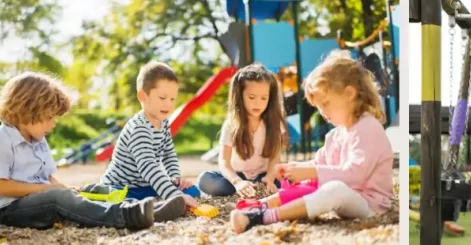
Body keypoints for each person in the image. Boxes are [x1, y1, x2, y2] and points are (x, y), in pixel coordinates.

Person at [227, 52, 393, 235]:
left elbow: (356, 174)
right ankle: (259, 206)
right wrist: (294, 168)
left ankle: (264, 217)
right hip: (344, 196)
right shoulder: (335, 134)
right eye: (319, 107)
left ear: (349, 94)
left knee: (332, 187)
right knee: (309, 184)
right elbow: (320, 164)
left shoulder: (368, 127)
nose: (322, 112)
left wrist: (312, 172)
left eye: (326, 103)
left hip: (369, 204)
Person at [0, 72, 156, 231]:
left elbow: (48, 178)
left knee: (88, 189)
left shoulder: (38, 140)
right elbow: (0, 186)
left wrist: (67, 189)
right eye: (49, 118)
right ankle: (123, 216)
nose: (53, 124)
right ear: (26, 111)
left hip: (39, 199)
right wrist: (44, 190)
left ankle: (147, 209)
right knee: (58, 198)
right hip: (7, 210)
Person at [95, 61, 198, 222]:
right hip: (120, 186)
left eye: (172, 99)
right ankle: (145, 209)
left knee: (193, 191)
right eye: (162, 97)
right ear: (143, 96)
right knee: (119, 203)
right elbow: (148, 167)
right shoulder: (139, 128)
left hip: (143, 186)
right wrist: (174, 195)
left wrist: (176, 178)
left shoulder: (163, 124)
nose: (168, 104)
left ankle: (154, 204)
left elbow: (169, 154)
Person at [196, 64, 287, 199]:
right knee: (205, 179)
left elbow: (275, 157)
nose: (258, 103)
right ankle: (244, 189)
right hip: (237, 176)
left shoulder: (274, 123)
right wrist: (237, 182)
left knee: (287, 179)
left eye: (264, 98)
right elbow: (224, 161)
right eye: (251, 97)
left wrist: (270, 177)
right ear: (240, 96)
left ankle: (256, 188)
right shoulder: (232, 124)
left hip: (263, 176)